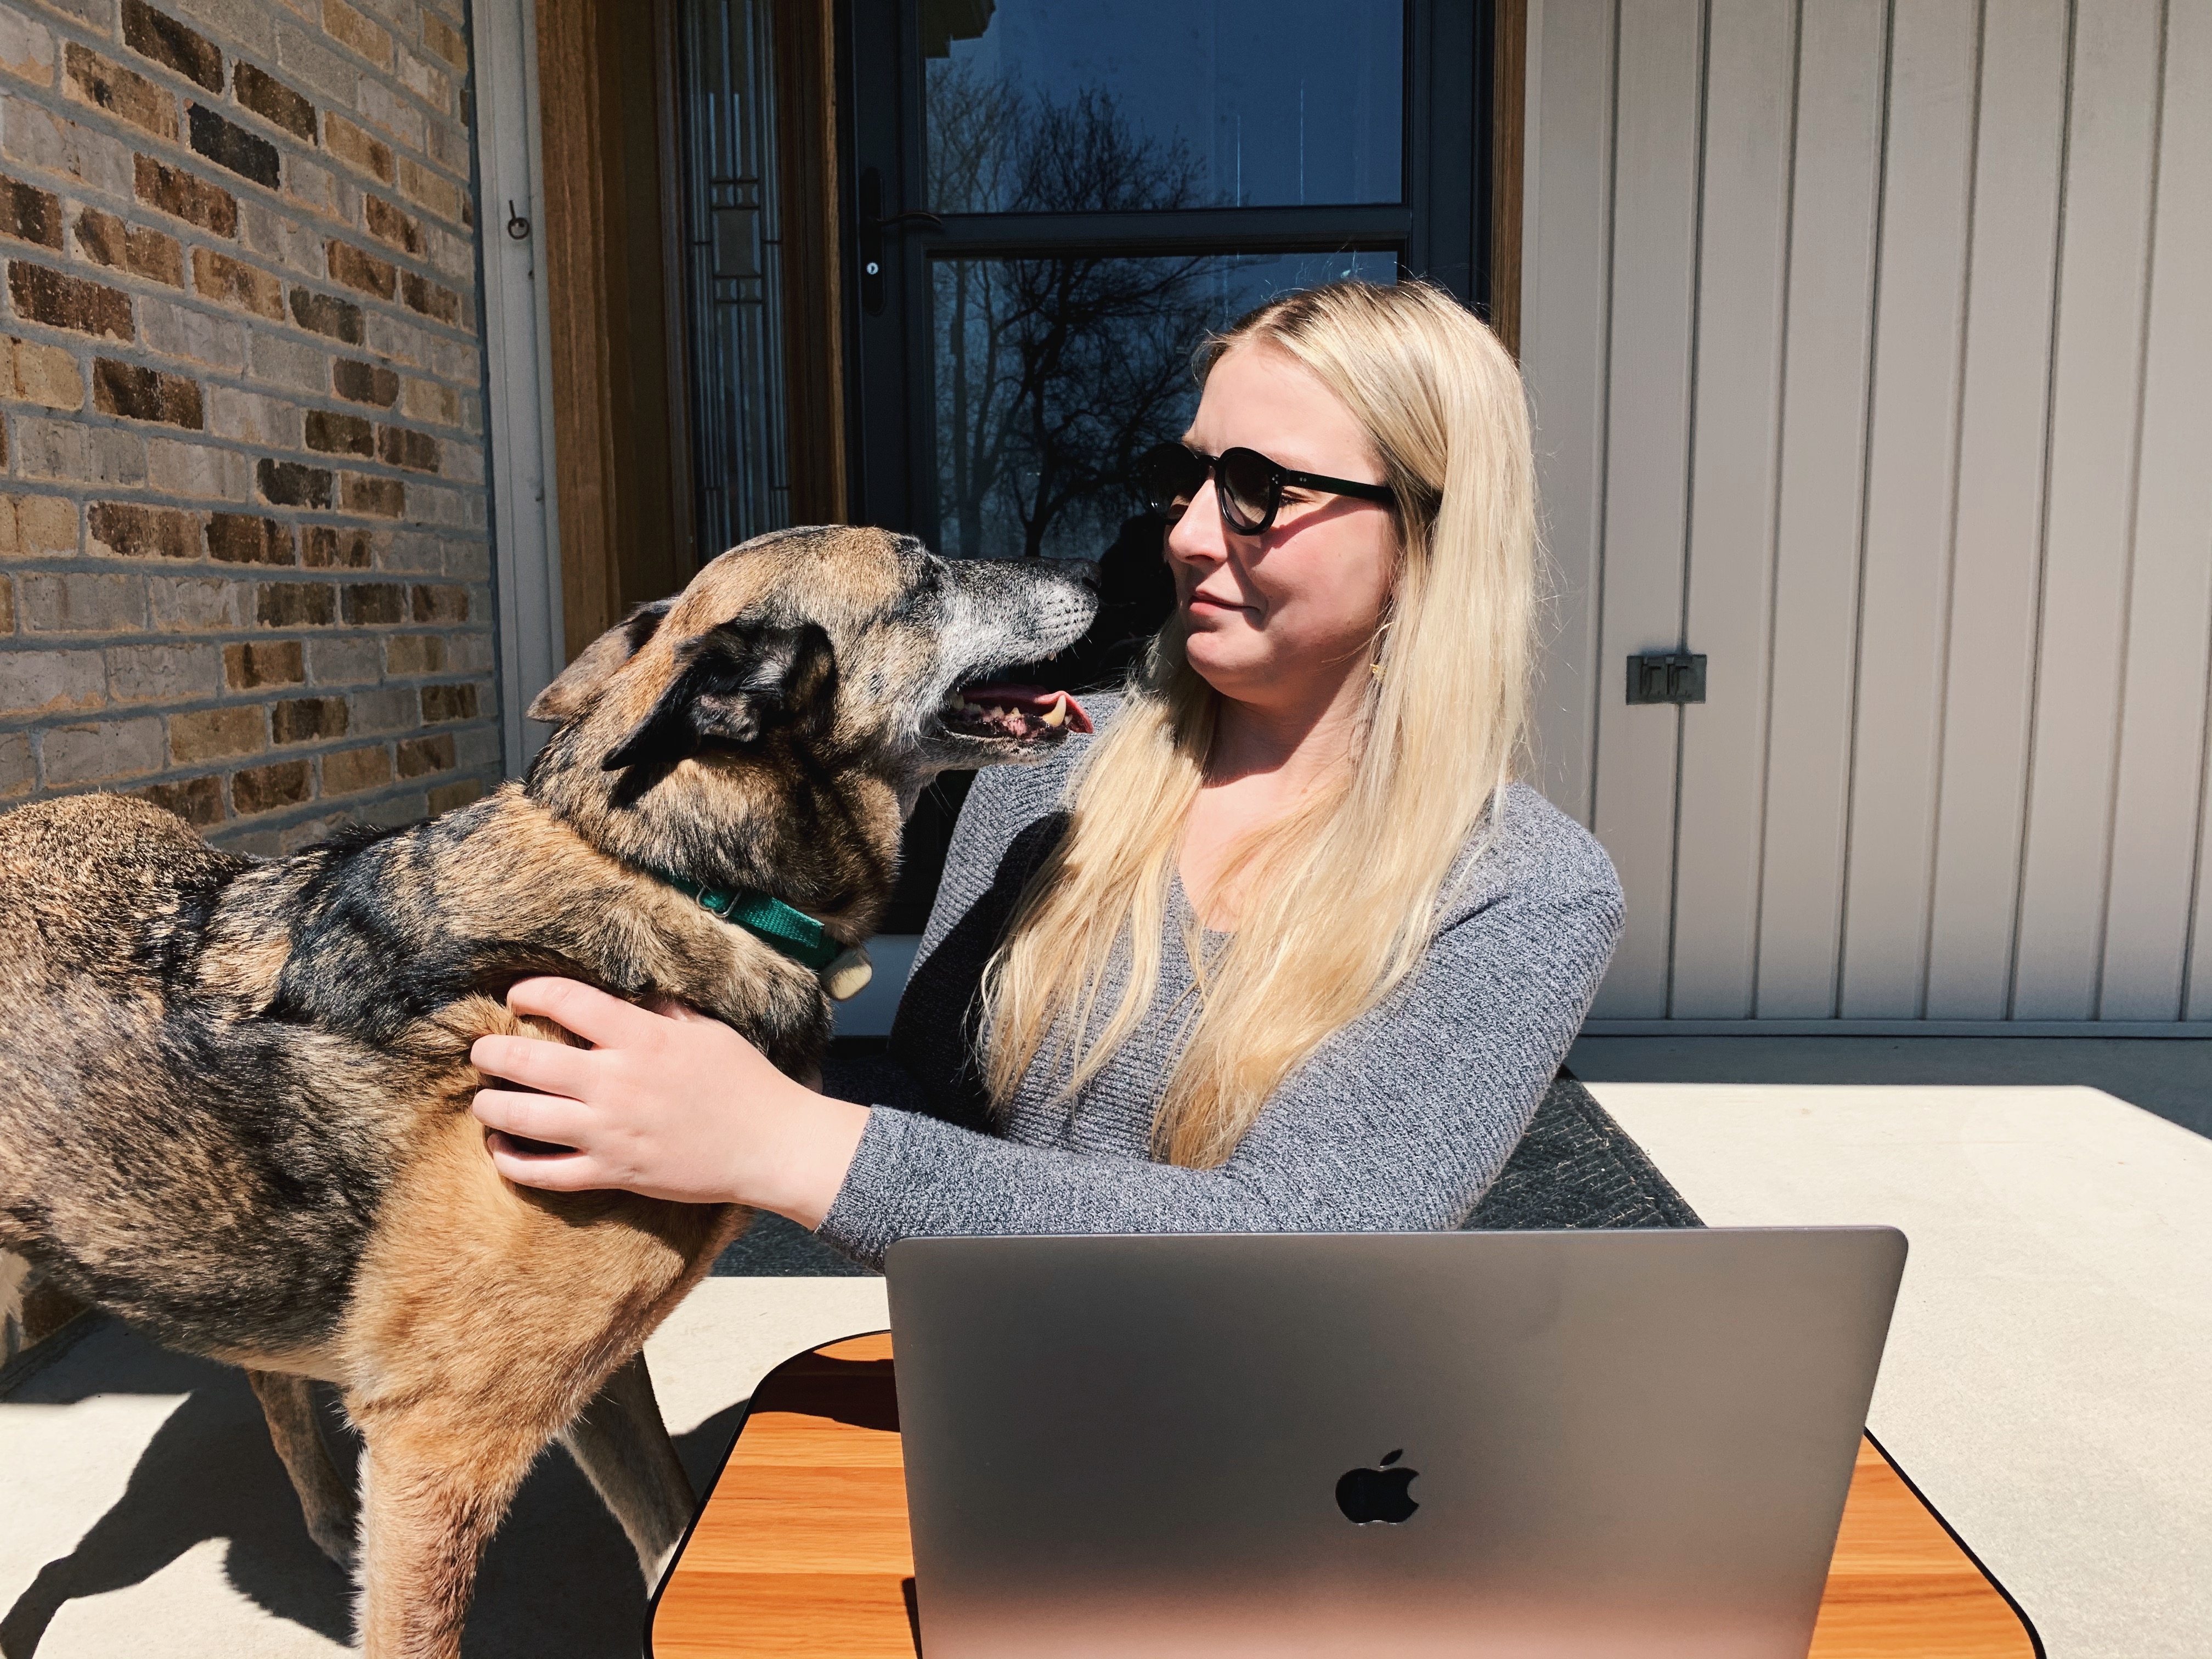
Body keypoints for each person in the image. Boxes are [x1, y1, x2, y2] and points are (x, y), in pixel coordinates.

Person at [469, 279, 1624, 1269]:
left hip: (1306, 1461)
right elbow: (935, 1116)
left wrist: (790, 1140)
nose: (1187, 535)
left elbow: (1312, 1244)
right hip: (997, 1406)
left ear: (1428, 533)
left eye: (1262, 488)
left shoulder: (1524, 889)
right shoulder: (1055, 764)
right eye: (1193, 476)